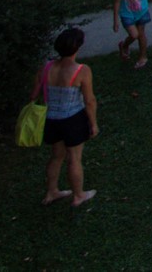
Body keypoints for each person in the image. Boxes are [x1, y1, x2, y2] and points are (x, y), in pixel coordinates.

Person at [34, 26, 98, 206]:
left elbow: (34, 94)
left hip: (51, 119)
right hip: (72, 119)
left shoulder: (46, 67)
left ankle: (51, 191)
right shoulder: (82, 70)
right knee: (74, 158)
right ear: (77, 47)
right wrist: (93, 123)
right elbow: (90, 100)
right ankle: (78, 195)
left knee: (56, 156)